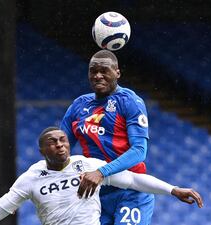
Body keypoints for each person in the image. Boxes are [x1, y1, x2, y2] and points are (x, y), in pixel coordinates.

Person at [0, 127, 203, 225]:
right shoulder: (31, 178)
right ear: (41, 149)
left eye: (62, 139)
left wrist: (173, 190)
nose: (60, 144)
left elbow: (132, 180)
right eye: (52, 141)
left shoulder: (88, 166)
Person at [61, 50, 157, 224]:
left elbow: (139, 151)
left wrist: (101, 172)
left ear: (117, 73)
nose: (98, 76)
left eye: (104, 70)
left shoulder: (130, 102)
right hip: (95, 194)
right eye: (93, 71)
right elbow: (61, 149)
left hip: (131, 191)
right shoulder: (78, 105)